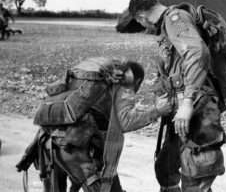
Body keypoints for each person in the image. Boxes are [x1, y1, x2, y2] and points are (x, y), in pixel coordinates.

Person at [16, 57, 173, 192]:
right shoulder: (125, 83)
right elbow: (126, 122)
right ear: (138, 81)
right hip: (79, 152)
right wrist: (157, 110)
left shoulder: (95, 80)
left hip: (49, 144)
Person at [128, 0, 226, 192]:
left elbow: (197, 52)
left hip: (195, 105)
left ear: (141, 16)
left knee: (195, 177)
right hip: (181, 105)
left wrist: (187, 102)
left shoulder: (175, 19)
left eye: (139, 22)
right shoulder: (169, 23)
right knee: (168, 168)